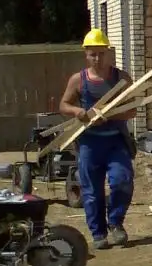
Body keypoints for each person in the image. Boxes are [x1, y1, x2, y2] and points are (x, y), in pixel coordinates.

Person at [59, 28, 138, 250]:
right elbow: (63, 105)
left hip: (116, 141)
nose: (97, 58)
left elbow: (133, 110)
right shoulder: (78, 80)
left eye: (101, 53)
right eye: (93, 54)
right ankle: (98, 233)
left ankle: (116, 223)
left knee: (122, 180)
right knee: (91, 191)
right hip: (89, 143)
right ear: (86, 54)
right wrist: (78, 112)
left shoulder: (121, 78)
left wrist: (109, 115)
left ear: (108, 52)